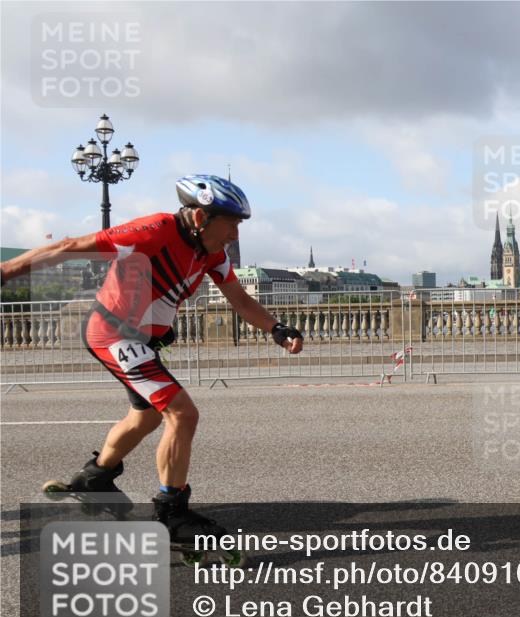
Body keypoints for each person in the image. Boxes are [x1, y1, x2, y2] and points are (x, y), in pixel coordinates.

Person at [0, 175, 303, 544]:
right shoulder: (152, 231)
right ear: (199, 217)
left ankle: (95, 477)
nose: (235, 236)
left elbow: (240, 300)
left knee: (145, 416)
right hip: (113, 334)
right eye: (231, 224)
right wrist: (5, 272)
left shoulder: (213, 254)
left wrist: (276, 329)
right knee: (182, 413)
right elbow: (70, 246)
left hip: (141, 340)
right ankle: (171, 513)